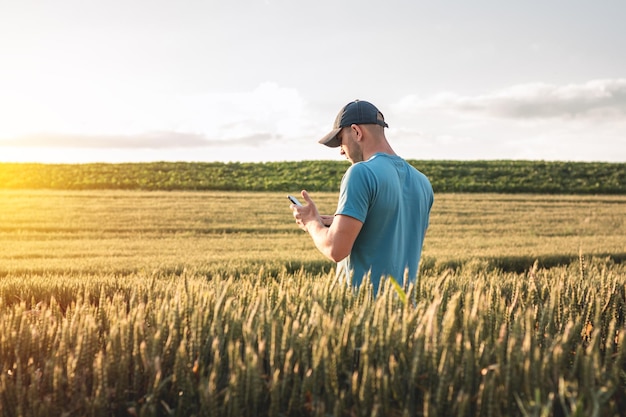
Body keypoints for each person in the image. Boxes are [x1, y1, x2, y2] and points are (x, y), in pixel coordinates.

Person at [290, 99, 434, 294]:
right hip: (405, 310)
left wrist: (311, 223)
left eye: (341, 141)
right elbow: (397, 236)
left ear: (357, 132)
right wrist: (346, 221)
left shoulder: (360, 173)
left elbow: (335, 249)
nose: (341, 151)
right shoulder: (422, 182)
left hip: (365, 313)